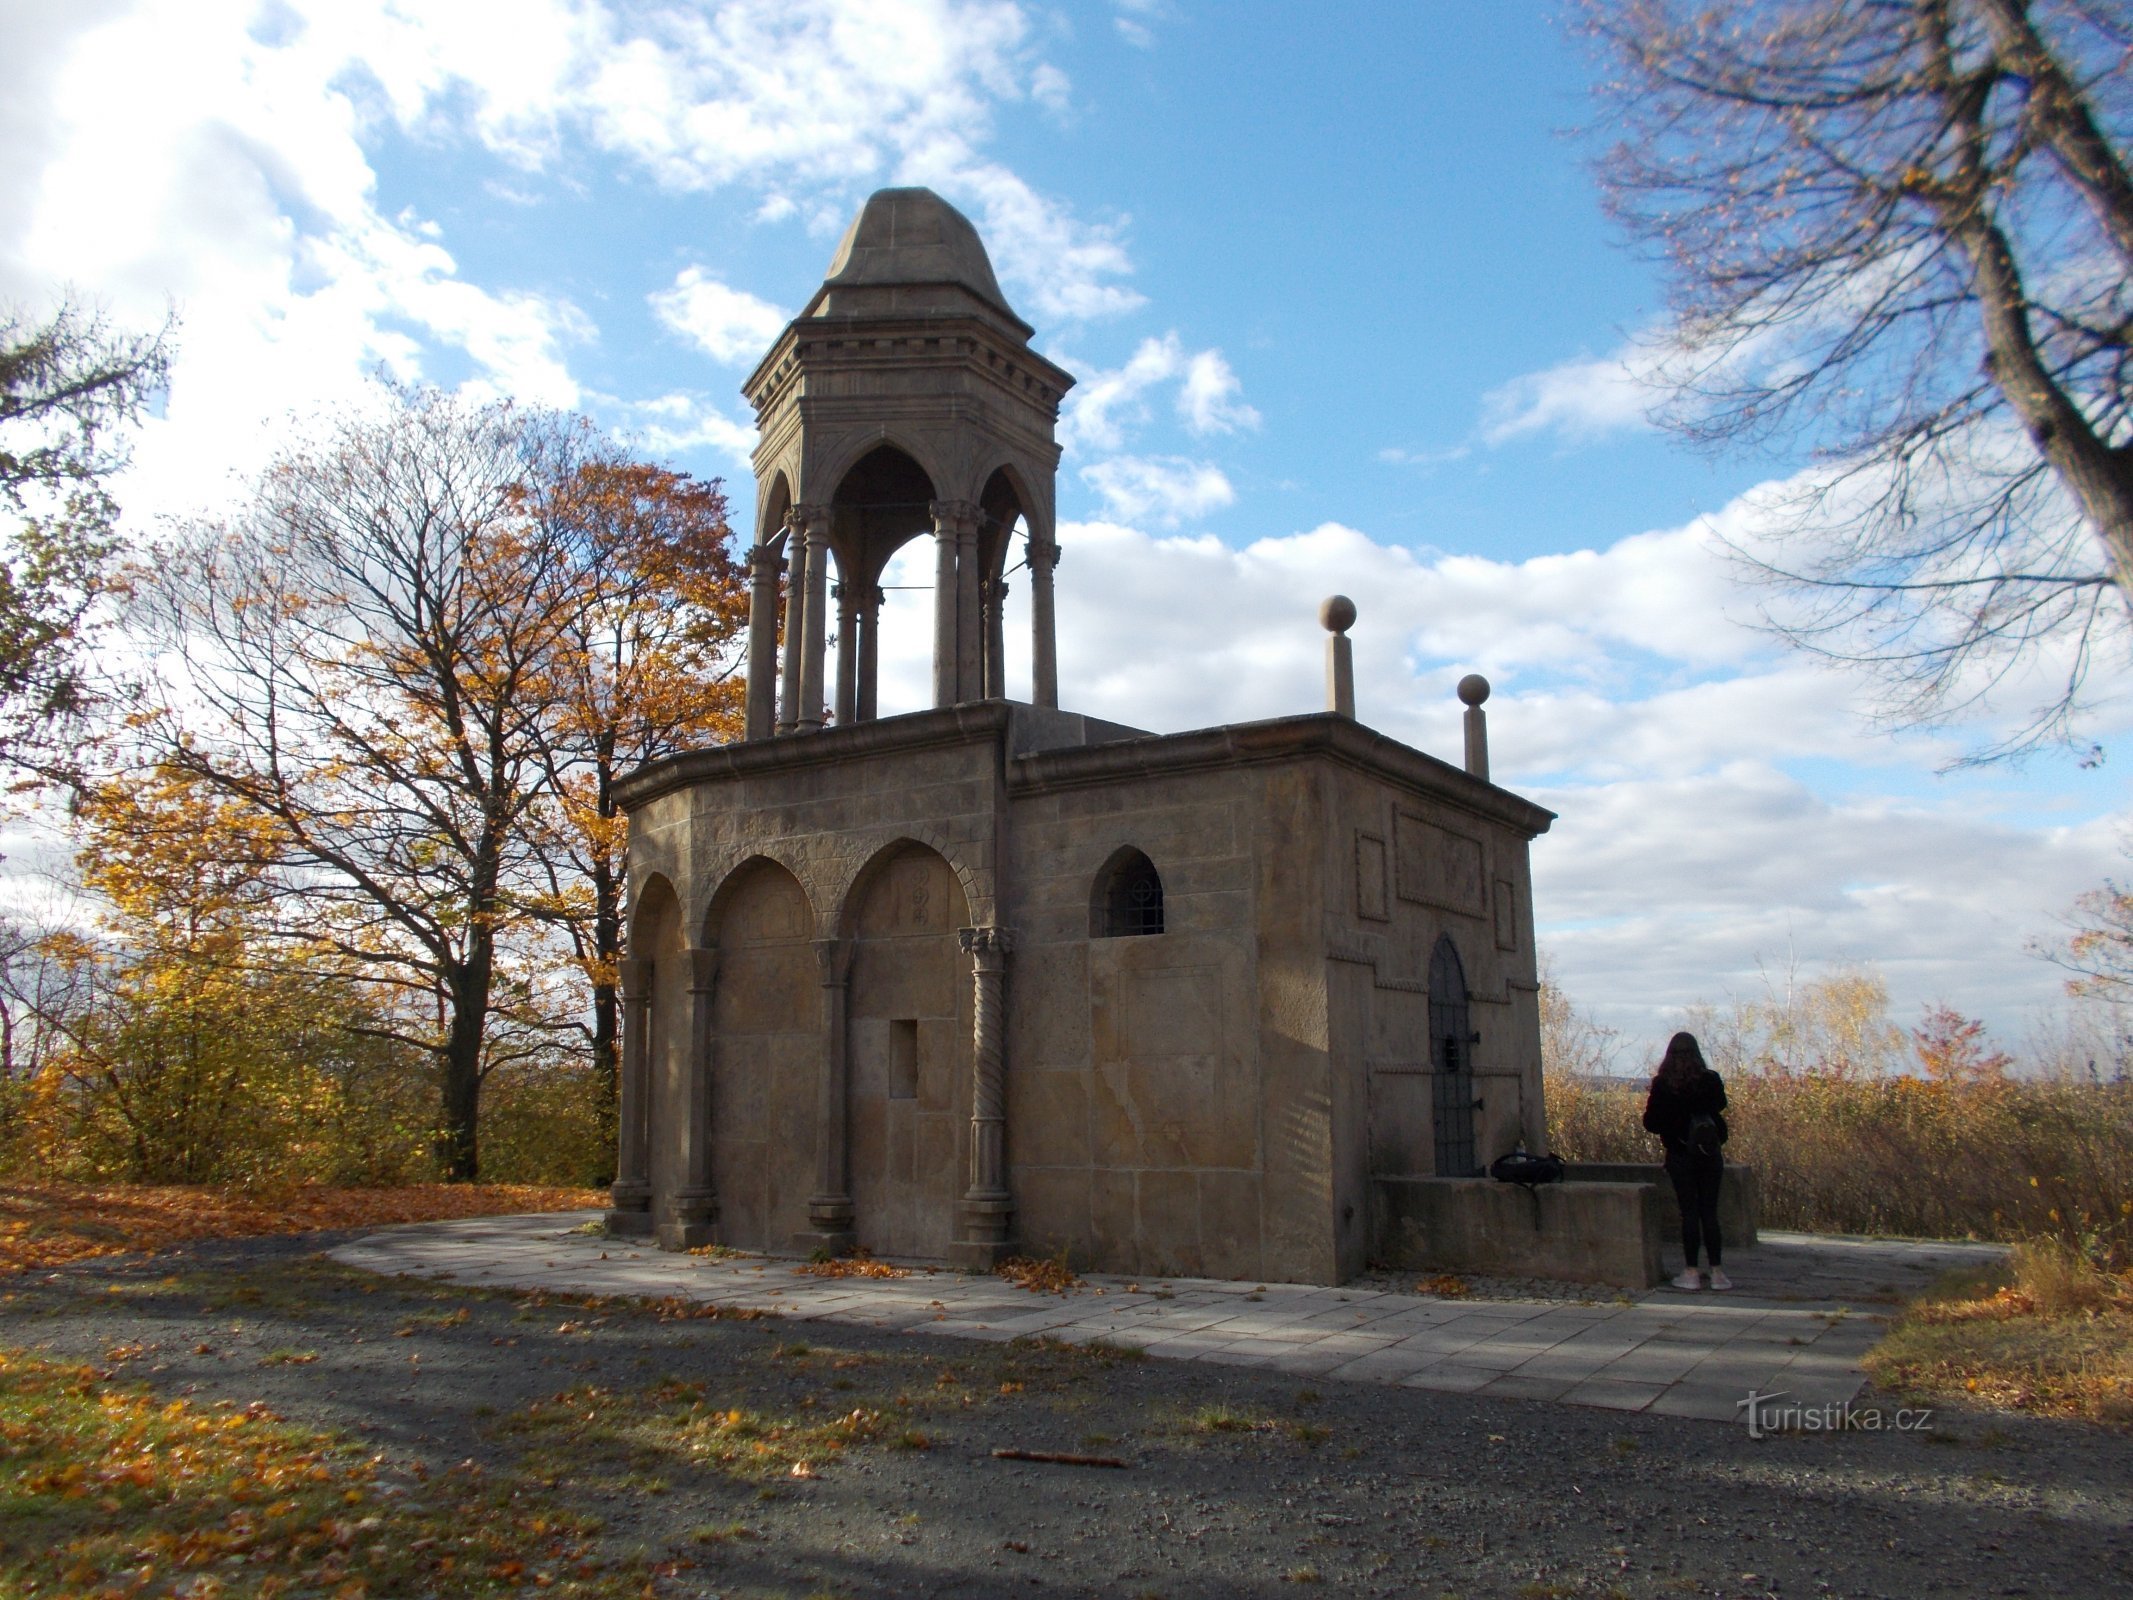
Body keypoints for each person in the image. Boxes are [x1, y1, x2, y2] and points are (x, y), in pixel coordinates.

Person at [1641, 1031, 1731, 1290]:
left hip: (1681, 1155)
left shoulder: (1664, 1085)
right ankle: (1717, 1273)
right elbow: (1720, 1106)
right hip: (1709, 1154)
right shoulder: (1710, 1080)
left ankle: (1691, 1271)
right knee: (1709, 1213)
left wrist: (1673, 1119)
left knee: (1689, 1213)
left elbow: (1651, 1122)